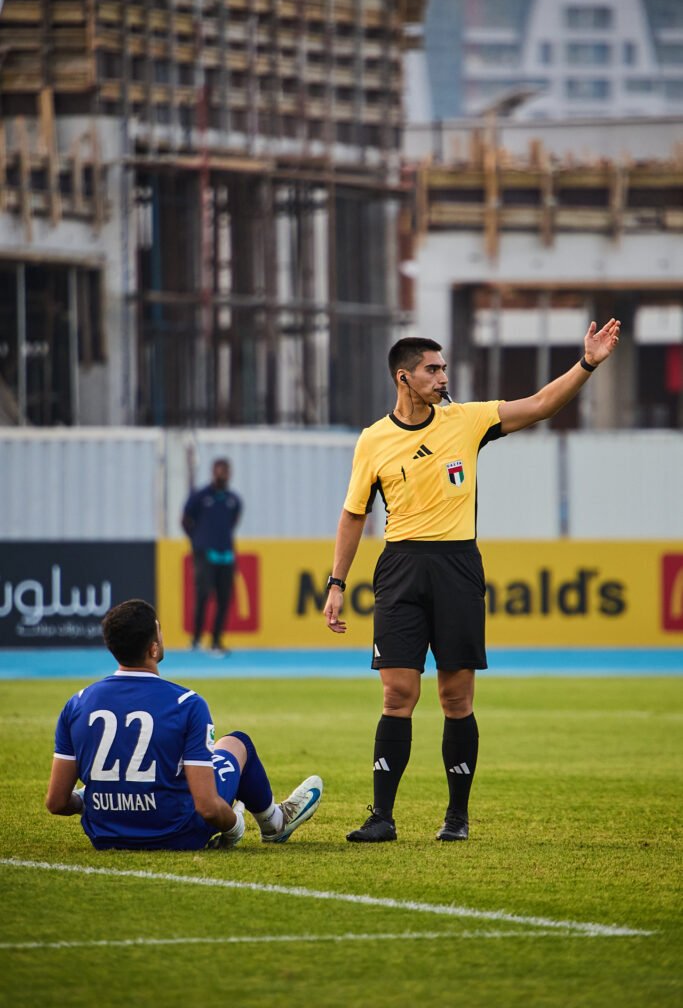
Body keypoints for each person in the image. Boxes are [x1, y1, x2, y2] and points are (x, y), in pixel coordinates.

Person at [323, 320, 620, 843]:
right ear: (404, 377)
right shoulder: (373, 439)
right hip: (400, 568)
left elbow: (540, 405)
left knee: (456, 698)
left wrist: (587, 364)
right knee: (397, 694)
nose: (443, 377)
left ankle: (456, 817)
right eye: (432, 369)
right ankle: (382, 817)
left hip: (457, 567)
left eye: (443, 368)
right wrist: (336, 584)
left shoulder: (467, 420)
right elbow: (353, 515)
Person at [45, 598, 322, 851]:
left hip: (106, 834)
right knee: (237, 743)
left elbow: (57, 802)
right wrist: (235, 827)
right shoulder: (187, 703)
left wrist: (91, 799)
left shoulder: (77, 703)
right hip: (177, 834)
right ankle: (274, 822)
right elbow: (208, 807)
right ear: (153, 648)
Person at [182, 457, 242, 652]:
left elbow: (232, 522)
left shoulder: (233, 500)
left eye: (226, 471)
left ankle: (216, 640)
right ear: (213, 472)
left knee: (224, 598)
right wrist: (198, 540)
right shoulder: (200, 497)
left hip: (226, 555)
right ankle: (196, 638)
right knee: (203, 595)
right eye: (219, 470)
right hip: (205, 554)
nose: (222, 474)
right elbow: (185, 520)